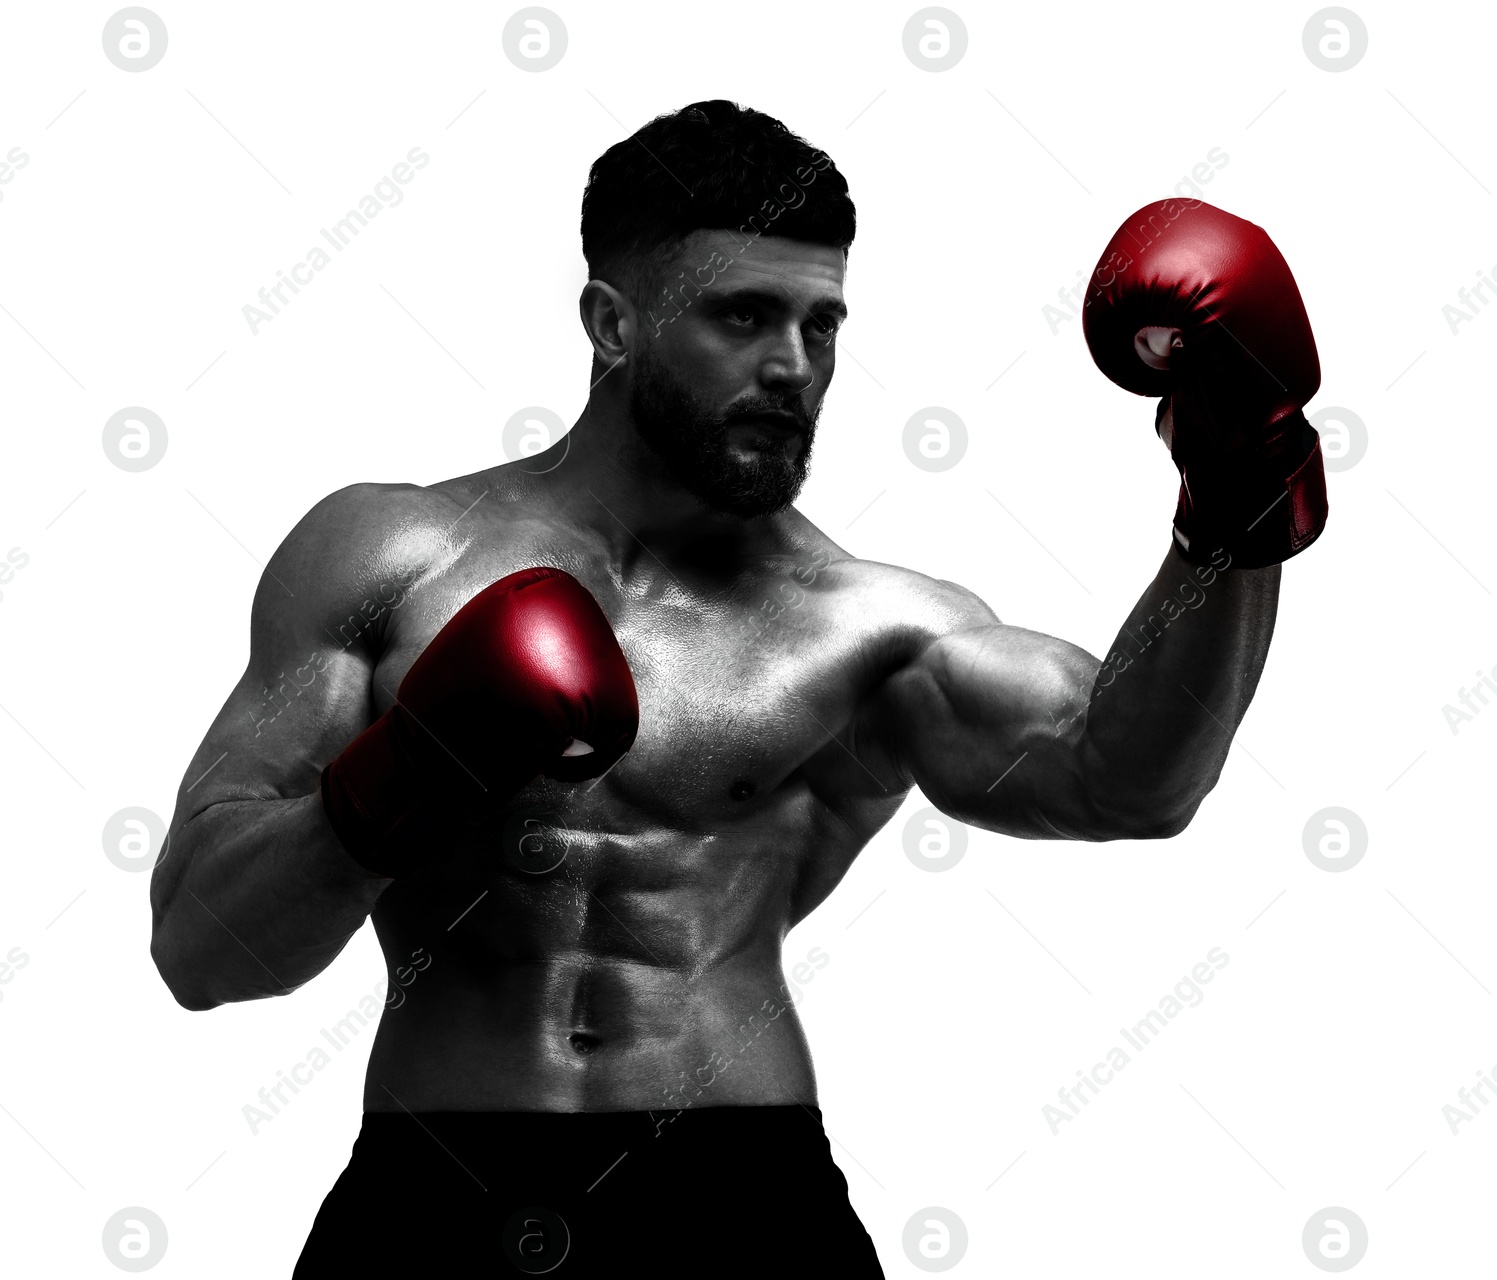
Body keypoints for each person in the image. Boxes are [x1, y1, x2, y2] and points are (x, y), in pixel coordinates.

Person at [149, 100, 1326, 1276]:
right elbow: (203, 951)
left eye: (822, 324)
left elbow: (1126, 778)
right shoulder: (387, 555)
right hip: (432, 1192)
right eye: (743, 316)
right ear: (611, 322)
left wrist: (1233, 503)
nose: (792, 365)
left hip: (740, 1200)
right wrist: (415, 764)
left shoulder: (868, 626)